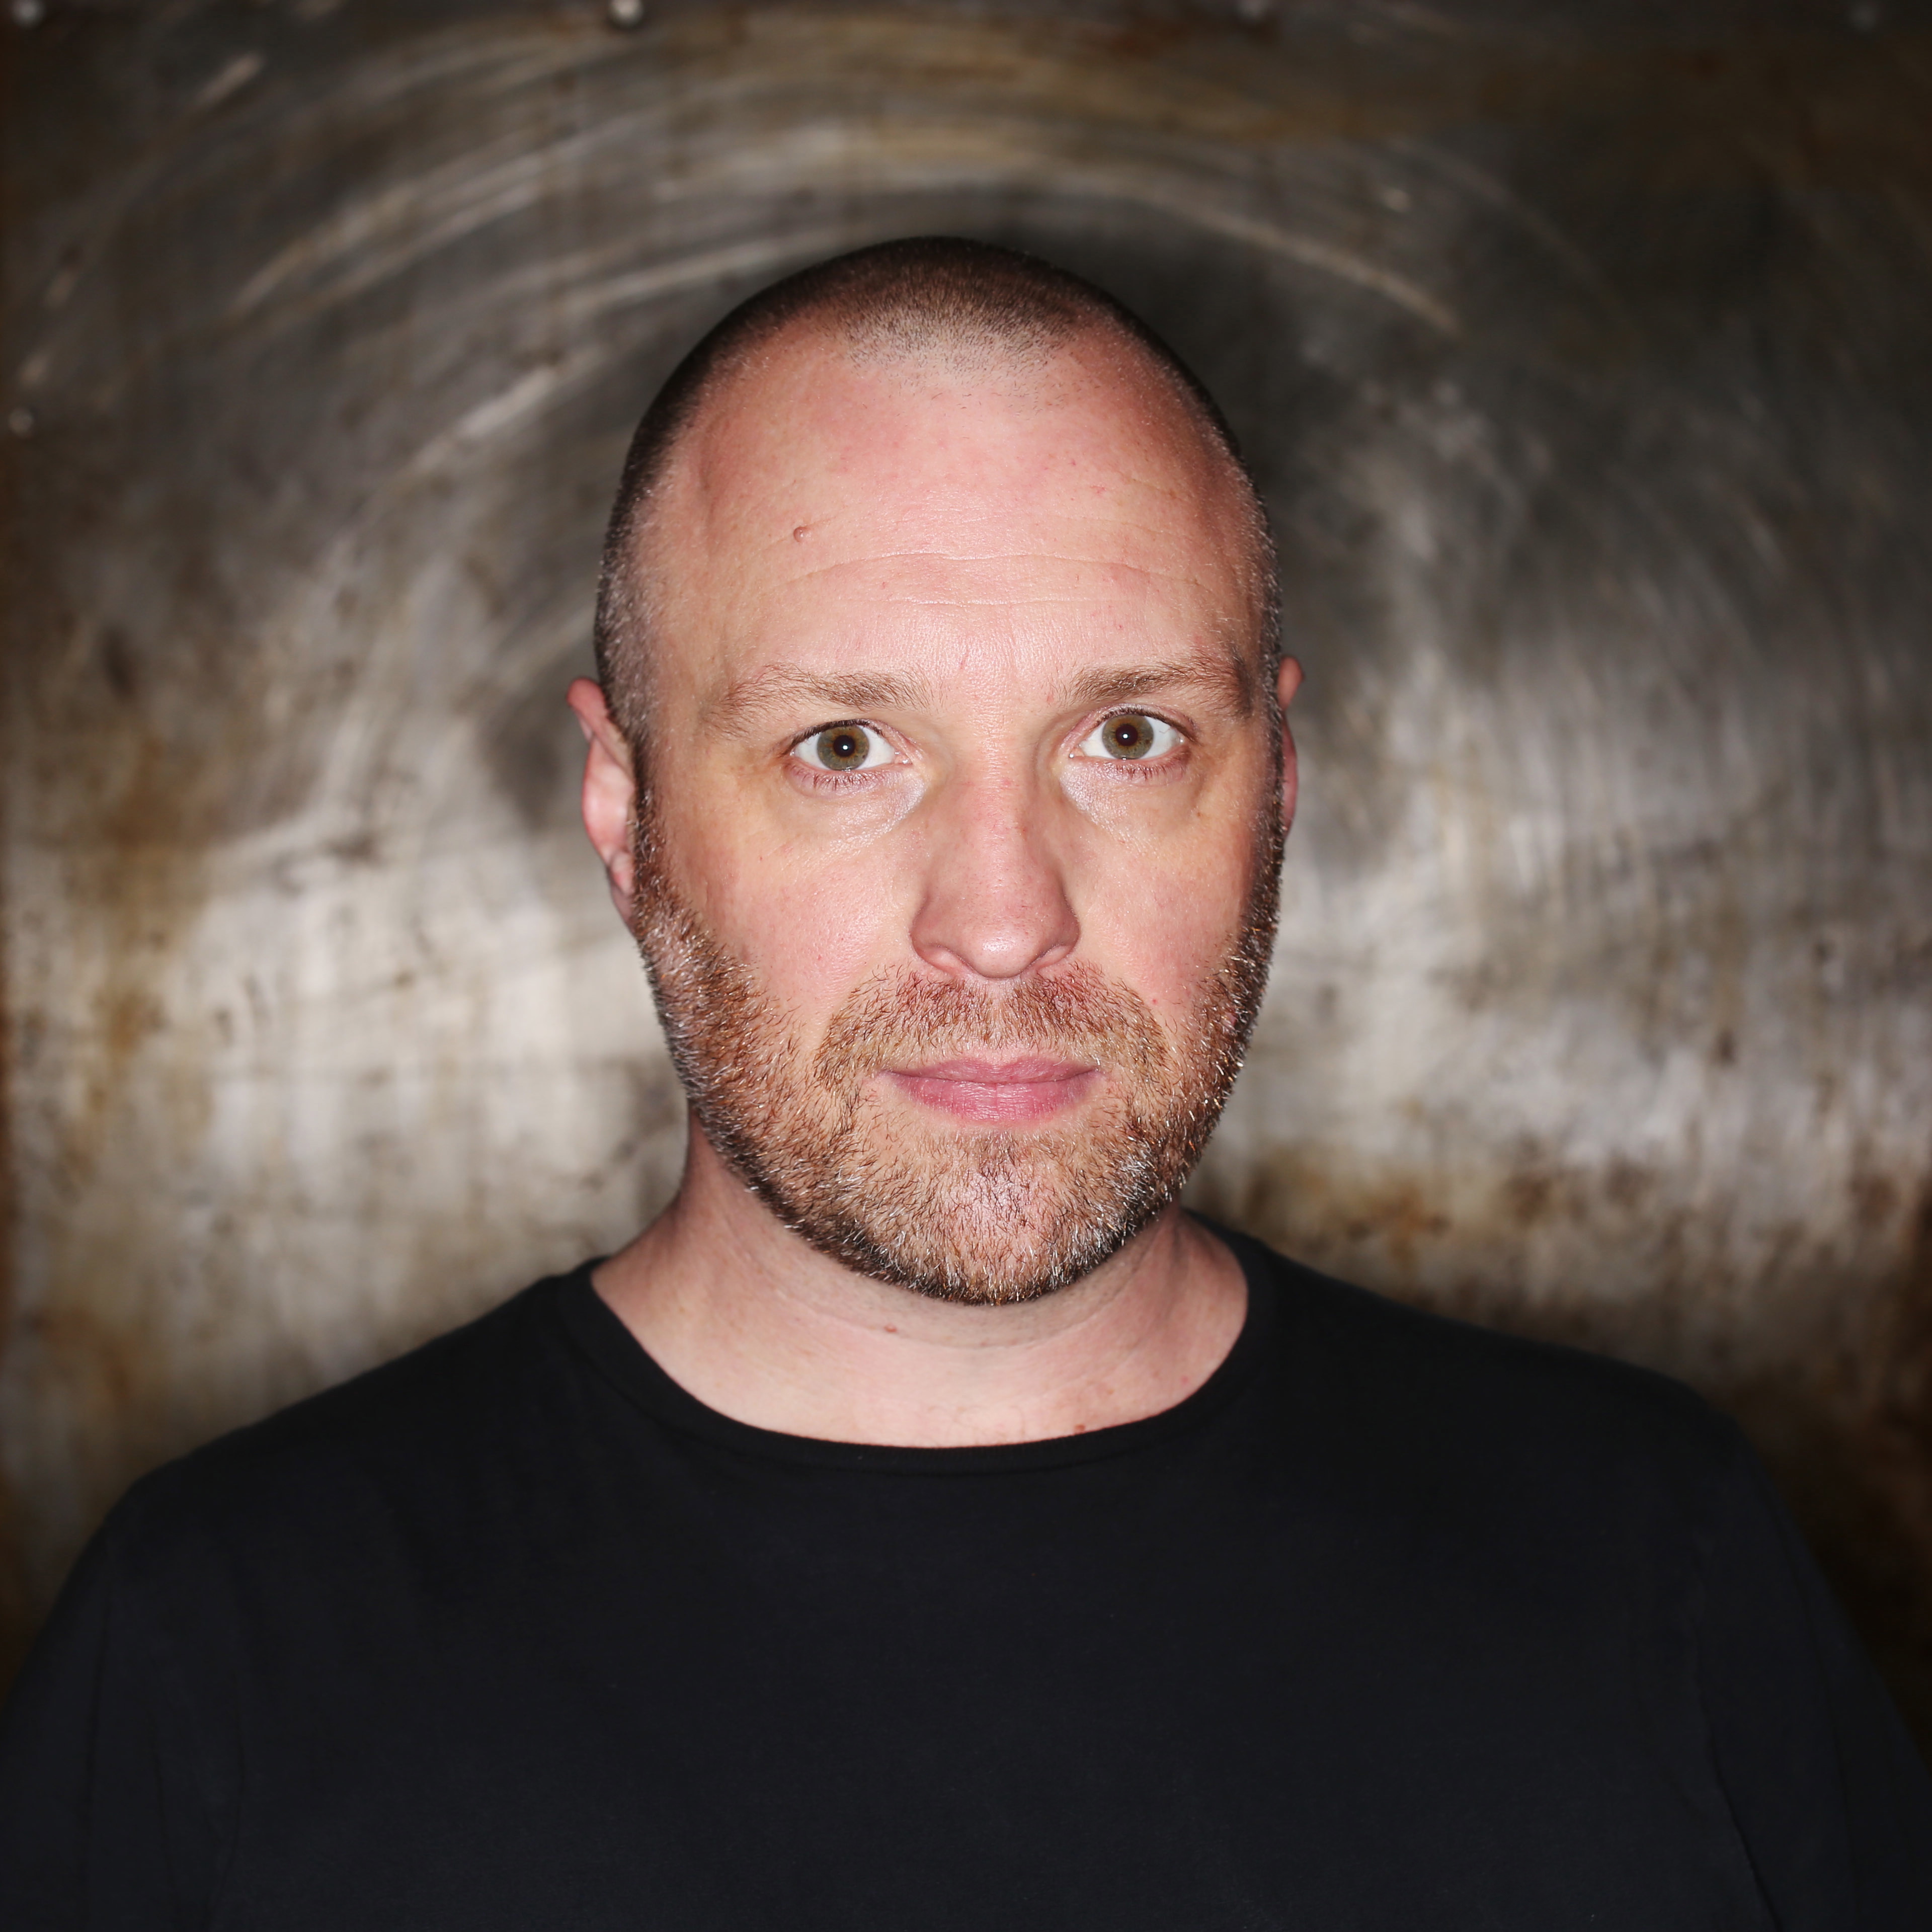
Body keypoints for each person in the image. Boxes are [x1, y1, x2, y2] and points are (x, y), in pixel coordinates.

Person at [2, 236, 1927, 1929]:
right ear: (626, 807)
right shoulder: (220, 1650)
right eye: (846, 746)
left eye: (1129, 737)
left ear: (1277, 778)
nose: (1003, 923)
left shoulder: (1649, 1564)